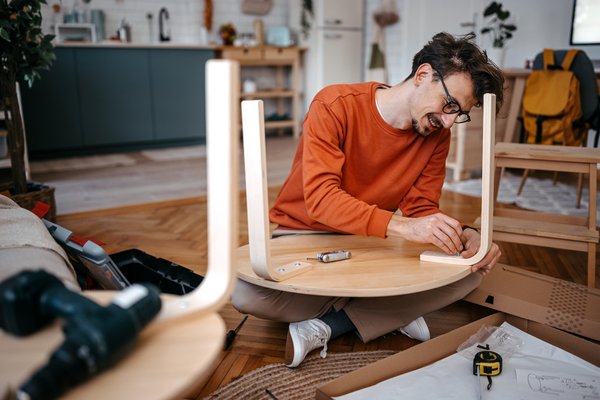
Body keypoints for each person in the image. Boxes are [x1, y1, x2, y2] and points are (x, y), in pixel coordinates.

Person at [232, 32, 505, 368]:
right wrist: (404, 228)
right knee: (246, 296)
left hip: (371, 241)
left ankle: (328, 325)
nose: (448, 121)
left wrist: (463, 235)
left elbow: (422, 210)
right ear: (423, 75)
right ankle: (390, 310)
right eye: (449, 105)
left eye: (458, 114)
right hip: (302, 234)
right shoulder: (334, 105)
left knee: (473, 271)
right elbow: (321, 200)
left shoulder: (436, 135)